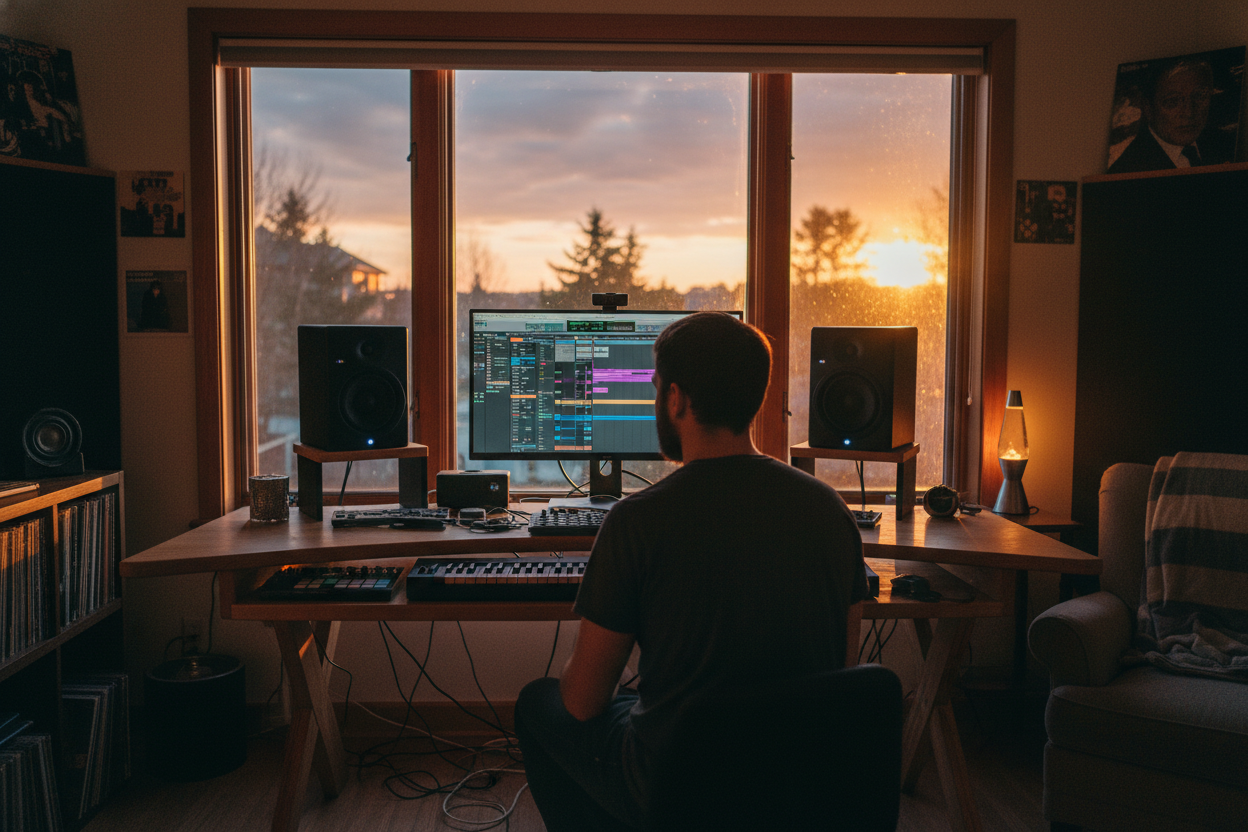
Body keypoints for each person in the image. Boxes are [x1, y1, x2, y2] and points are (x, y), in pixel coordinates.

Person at [514, 311, 871, 831]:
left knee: (538, 703)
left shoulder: (638, 520)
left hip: (680, 784)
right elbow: (844, 666)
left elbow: (585, 702)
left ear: (676, 399)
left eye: (657, 388)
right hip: (800, 782)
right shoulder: (829, 509)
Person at [1108, 58, 1236, 174]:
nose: (1188, 112)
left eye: (1199, 96)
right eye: (1172, 101)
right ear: (1148, 108)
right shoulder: (1127, 171)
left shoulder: (1228, 144)